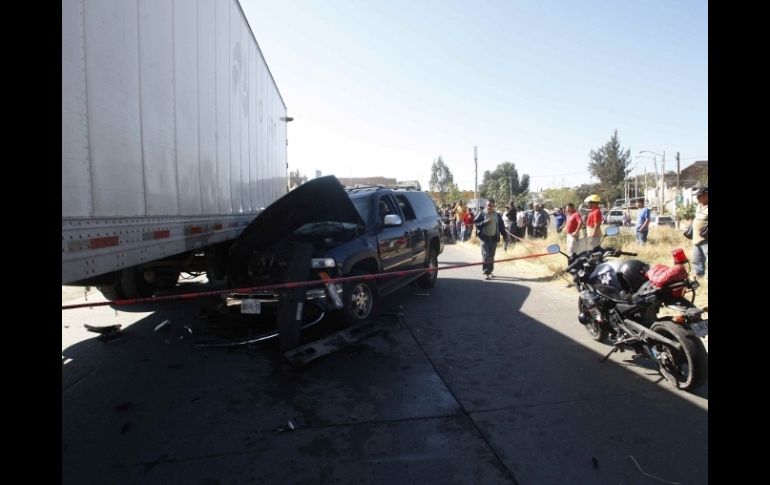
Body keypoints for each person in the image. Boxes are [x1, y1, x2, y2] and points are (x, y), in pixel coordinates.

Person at [474, 199, 505, 279]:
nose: (489, 207)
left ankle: (490, 271)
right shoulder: (482, 213)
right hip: (484, 238)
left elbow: (501, 226)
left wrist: (504, 235)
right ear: (486, 205)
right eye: (488, 205)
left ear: (494, 206)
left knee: (491, 256)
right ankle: (486, 271)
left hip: (493, 238)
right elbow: (476, 223)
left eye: (491, 205)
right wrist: (485, 222)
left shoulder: (497, 215)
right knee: (486, 255)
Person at [691, 184, 708, 279]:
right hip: (696, 238)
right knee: (696, 260)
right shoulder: (699, 206)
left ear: (706, 194)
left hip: (706, 239)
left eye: (699, 195)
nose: (697, 198)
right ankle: (699, 277)